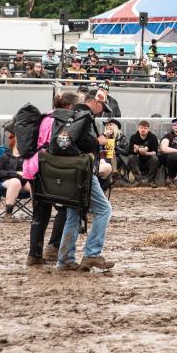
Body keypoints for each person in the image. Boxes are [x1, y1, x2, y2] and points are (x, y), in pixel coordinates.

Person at [55, 91, 116, 272]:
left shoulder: (66, 115)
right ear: (95, 103)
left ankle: (65, 259)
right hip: (83, 169)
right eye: (102, 108)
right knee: (104, 209)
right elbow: (84, 141)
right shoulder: (85, 116)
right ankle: (92, 254)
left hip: (66, 168)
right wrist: (99, 140)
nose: (101, 111)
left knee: (73, 213)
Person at [26, 91, 78, 266]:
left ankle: (34, 254)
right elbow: (63, 144)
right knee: (65, 207)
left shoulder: (44, 117)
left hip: (33, 165)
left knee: (40, 212)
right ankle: (53, 247)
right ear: (70, 106)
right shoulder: (65, 120)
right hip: (51, 165)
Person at [0, 131, 32, 222]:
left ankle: (38, 214)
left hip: (25, 180)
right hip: (8, 181)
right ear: (14, 143)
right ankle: (8, 214)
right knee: (16, 181)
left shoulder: (28, 156)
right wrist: (15, 173)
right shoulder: (5, 156)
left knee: (34, 184)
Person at [123, 120, 160, 187]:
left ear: (148, 129)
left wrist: (146, 153)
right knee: (131, 157)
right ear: (138, 128)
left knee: (155, 158)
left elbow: (155, 152)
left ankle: (151, 180)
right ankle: (138, 179)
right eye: (141, 128)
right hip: (137, 160)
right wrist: (135, 150)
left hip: (148, 159)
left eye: (145, 128)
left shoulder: (153, 137)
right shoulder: (133, 137)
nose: (143, 130)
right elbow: (129, 152)